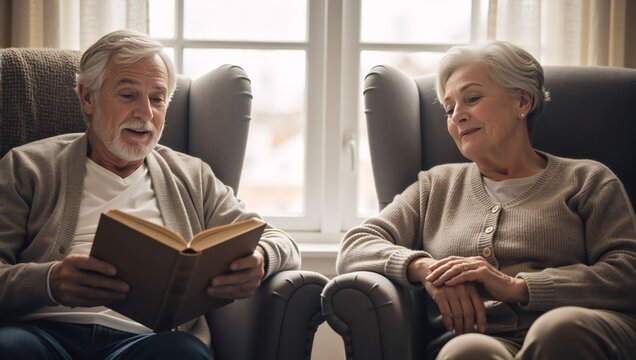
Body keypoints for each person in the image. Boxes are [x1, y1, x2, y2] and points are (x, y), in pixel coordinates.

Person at [0, 29, 300, 359]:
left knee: (184, 354)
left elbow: (279, 240)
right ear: (88, 97)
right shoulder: (27, 167)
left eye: (157, 98)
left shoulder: (192, 176)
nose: (145, 113)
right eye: (128, 95)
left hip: (145, 343)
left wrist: (261, 259)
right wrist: (50, 281)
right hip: (43, 335)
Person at [337, 41, 636, 359]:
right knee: (468, 350)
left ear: (522, 101)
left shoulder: (588, 180)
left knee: (559, 330)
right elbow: (356, 245)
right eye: (449, 109)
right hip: (481, 338)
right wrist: (427, 269)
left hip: (581, 330)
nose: (457, 116)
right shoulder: (435, 186)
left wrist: (518, 286)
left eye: (472, 98)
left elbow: (626, 272)